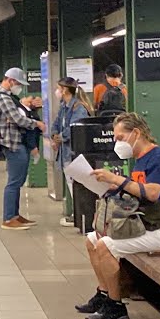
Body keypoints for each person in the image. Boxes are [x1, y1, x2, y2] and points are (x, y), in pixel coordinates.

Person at [76, 112, 160, 319]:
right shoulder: (140, 160)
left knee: (106, 245)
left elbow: (152, 193)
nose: (117, 143)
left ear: (136, 133)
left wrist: (116, 179)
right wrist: (113, 187)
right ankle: (104, 294)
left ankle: (116, 306)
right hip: (145, 224)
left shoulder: (159, 158)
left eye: (120, 138)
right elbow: (137, 190)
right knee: (92, 240)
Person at [0, 67, 45, 230]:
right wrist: (37, 123)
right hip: (12, 143)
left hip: (15, 141)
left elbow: (14, 117)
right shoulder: (3, 97)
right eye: (19, 84)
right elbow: (17, 119)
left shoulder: (9, 97)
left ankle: (14, 215)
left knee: (18, 180)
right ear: (11, 81)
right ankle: (8, 218)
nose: (20, 87)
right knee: (14, 182)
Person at [50, 77, 92, 225]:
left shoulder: (78, 107)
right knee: (71, 184)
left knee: (77, 184)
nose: (56, 91)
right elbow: (56, 124)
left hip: (74, 153)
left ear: (65, 90)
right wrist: (54, 135)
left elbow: (76, 127)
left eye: (58, 88)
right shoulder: (64, 106)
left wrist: (60, 137)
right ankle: (77, 213)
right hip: (65, 153)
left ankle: (81, 215)